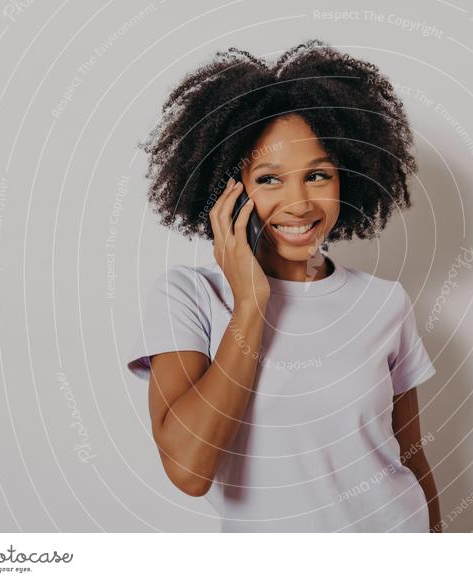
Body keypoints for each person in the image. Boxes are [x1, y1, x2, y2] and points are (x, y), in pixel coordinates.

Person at [126, 39, 441, 532]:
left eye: (318, 175)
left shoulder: (384, 303)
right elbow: (188, 470)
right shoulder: (189, 298)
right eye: (270, 179)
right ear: (231, 188)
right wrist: (251, 302)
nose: (299, 203)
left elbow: (410, 457)